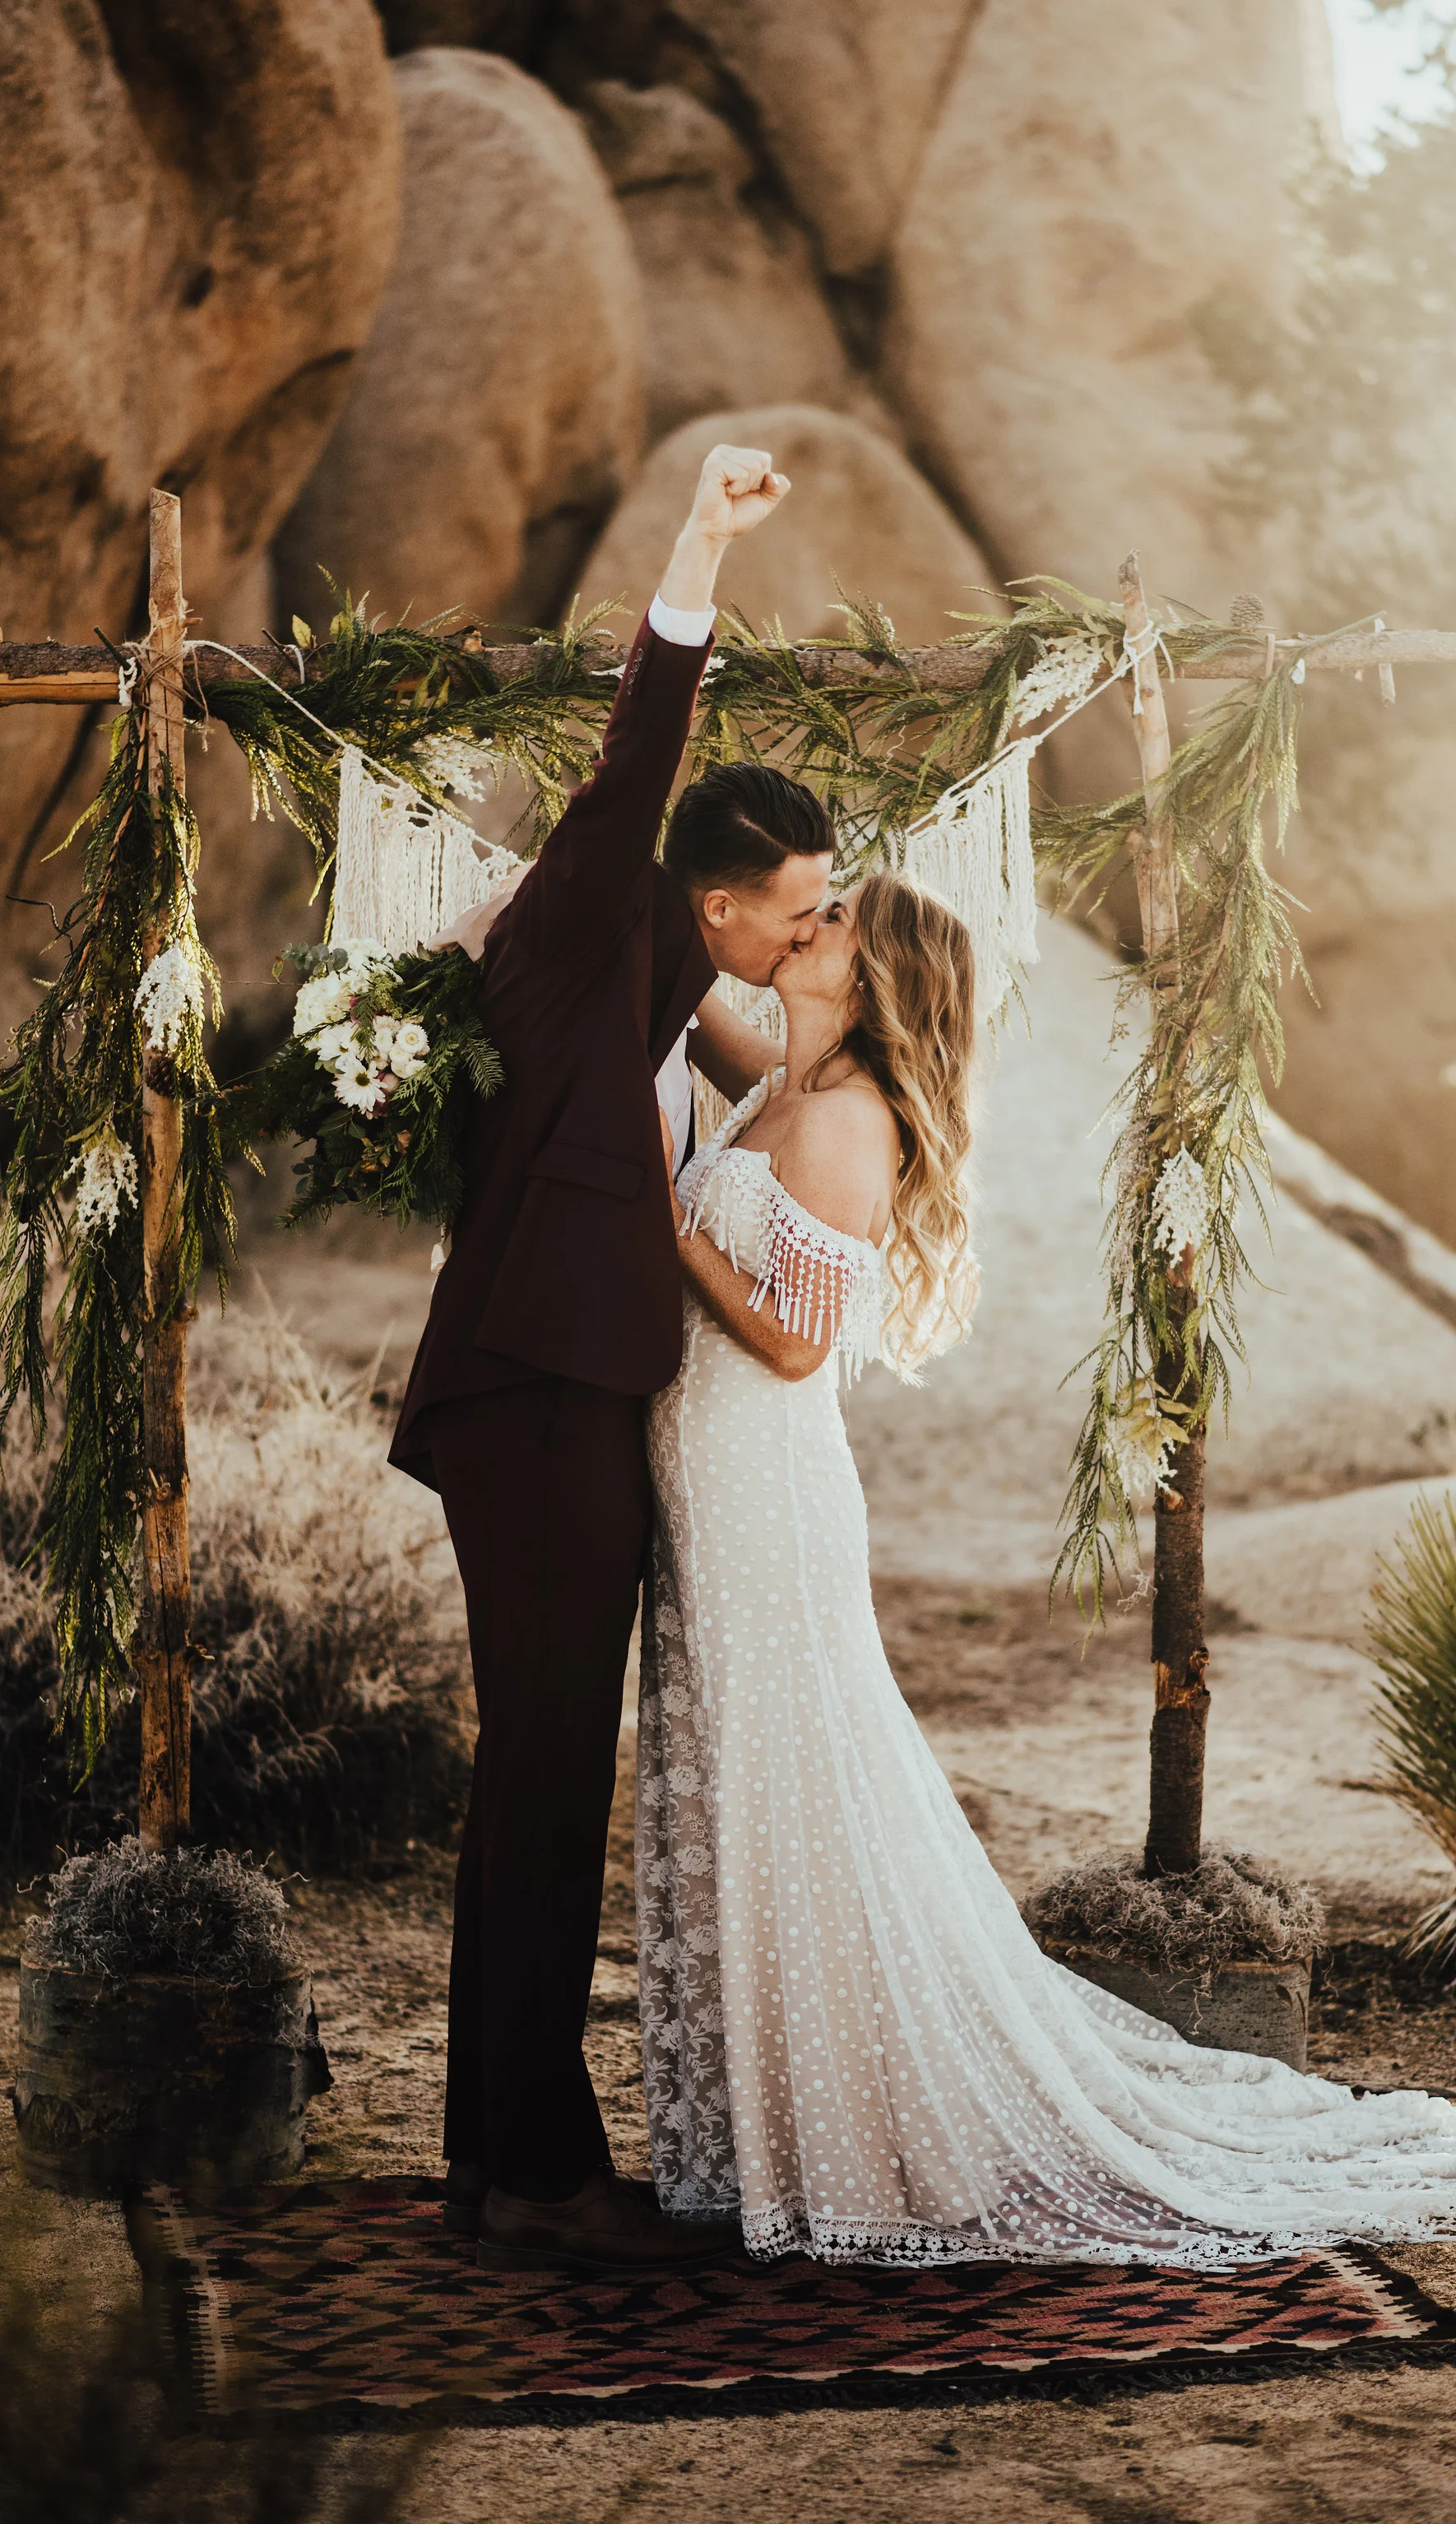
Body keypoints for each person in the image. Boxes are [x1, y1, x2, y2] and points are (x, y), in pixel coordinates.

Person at [638, 870, 1456, 2266]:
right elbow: (673, 1011)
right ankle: (769, 2125)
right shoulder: (785, 1072)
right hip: (708, 1485)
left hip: (766, 1492)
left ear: (872, 979)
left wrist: (667, 1225)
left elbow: (792, 1342)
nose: (799, 928)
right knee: (743, 1782)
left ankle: (856, 2142)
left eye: (827, 924)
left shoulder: (842, 1120)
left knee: (799, 1790)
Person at [388, 443, 837, 2276]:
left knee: (540, 1775)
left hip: (563, 1397)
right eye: (795, 905)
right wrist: (699, 552)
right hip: (536, 1395)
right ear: (712, 903)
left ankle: (502, 2155)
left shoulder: (646, 970)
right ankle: (537, 2177)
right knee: (549, 1772)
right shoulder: (596, 902)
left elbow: (767, 1064)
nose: (807, 929)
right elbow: (641, 757)